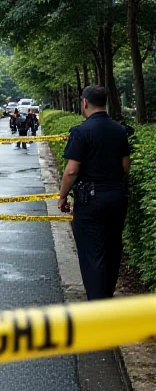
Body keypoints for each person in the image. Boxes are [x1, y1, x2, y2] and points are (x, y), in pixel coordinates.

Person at [58, 85, 131, 301]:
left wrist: (62, 196)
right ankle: (107, 294)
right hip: (116, 198)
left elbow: (71, 170)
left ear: (84, 103)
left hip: (90, 201)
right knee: (112, 247)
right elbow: (125, 167)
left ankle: (97, 303)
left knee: (92, 254)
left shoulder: (81, 132)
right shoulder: (119, 130)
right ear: (105, 103)